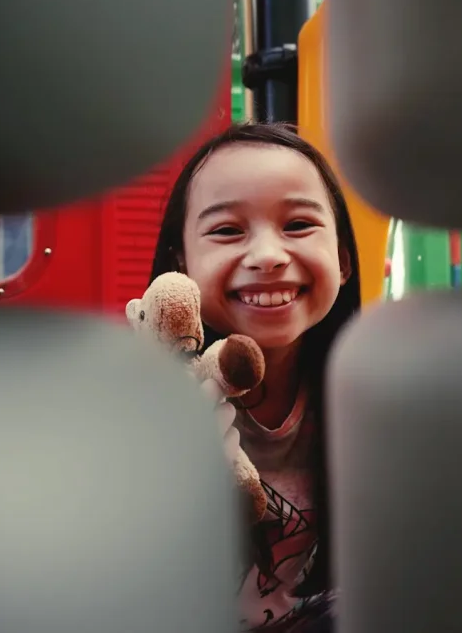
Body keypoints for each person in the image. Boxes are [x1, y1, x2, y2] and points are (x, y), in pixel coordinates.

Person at [149, 123, 362, 632]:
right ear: (181, 262)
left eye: (298, 225)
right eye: (227, 230)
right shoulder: (136, 405)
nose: (268, 255)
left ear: (344, 259)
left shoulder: (379, 397)